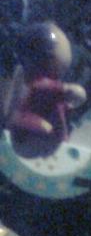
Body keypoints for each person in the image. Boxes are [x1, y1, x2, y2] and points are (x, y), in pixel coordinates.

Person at [7, 22, 86, 152]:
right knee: (46, 128)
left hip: (28, 128)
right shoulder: (43, 85)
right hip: (30, 135)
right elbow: (77, 95)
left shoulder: (26, 77)